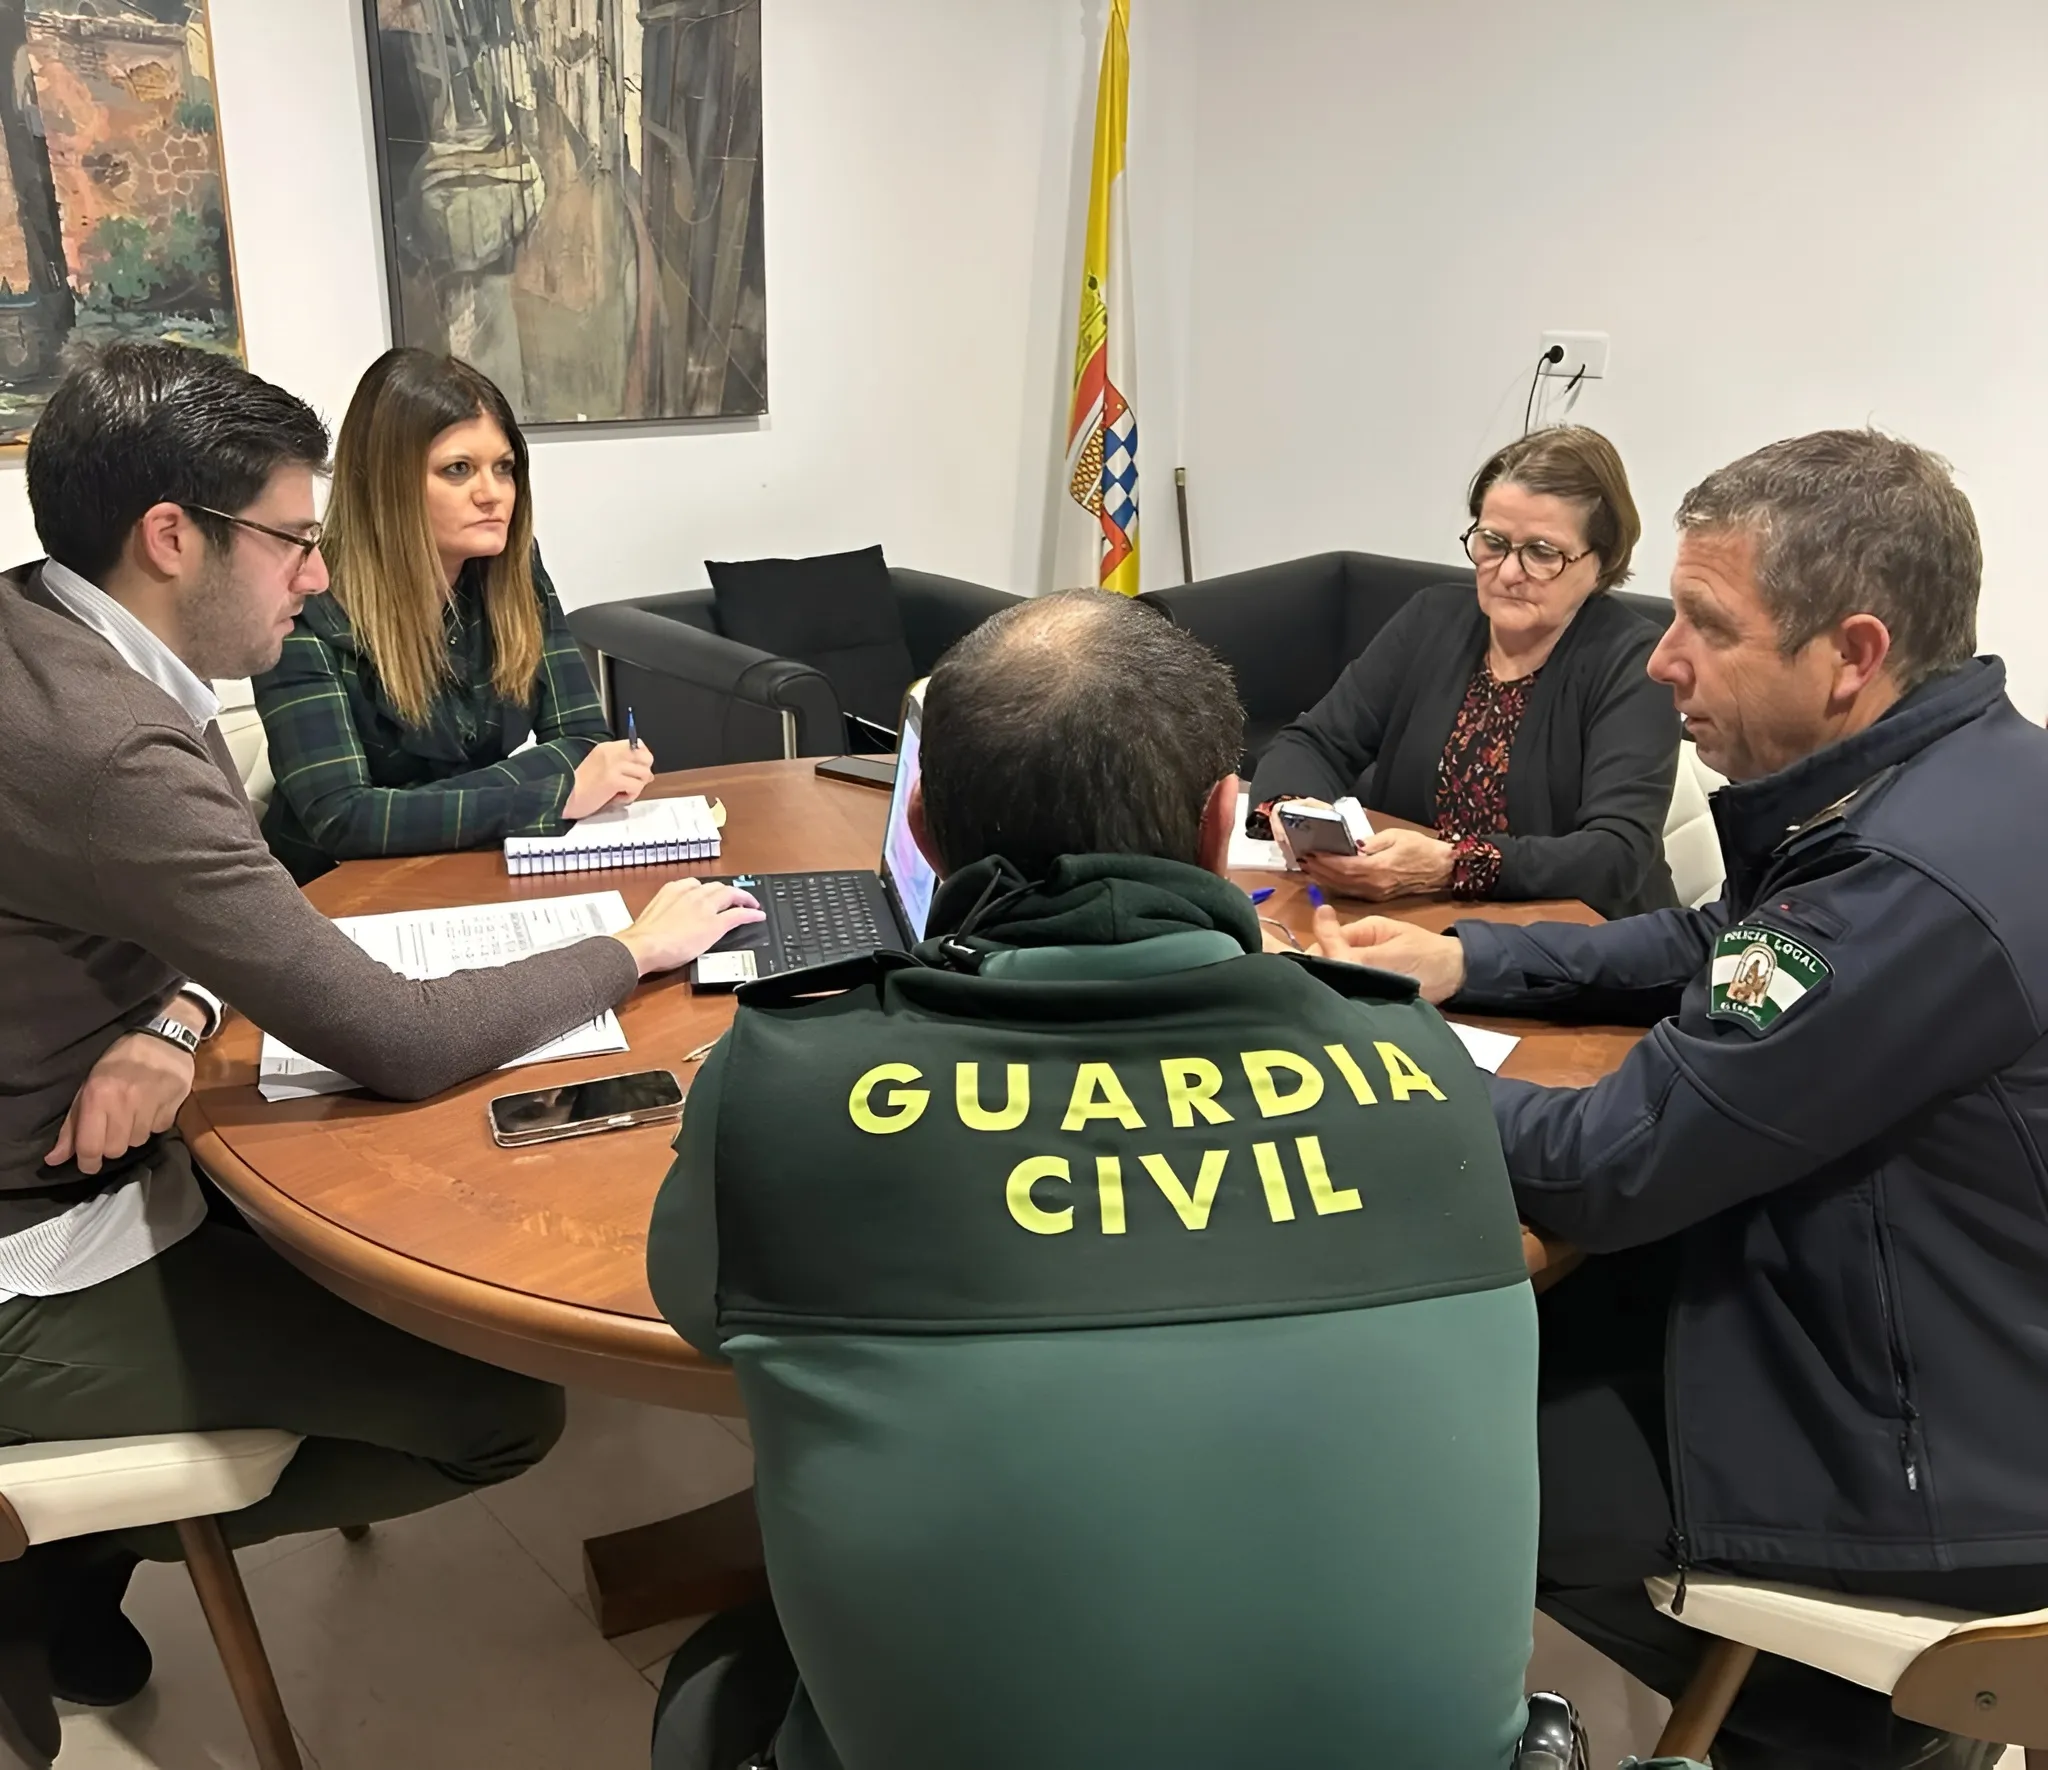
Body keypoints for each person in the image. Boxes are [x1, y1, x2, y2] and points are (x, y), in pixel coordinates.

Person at [0, 342, 762, 1744]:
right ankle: (48, 1563)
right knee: (502, 1408)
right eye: (294, 539)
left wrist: (172, 1012)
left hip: (99, 1134)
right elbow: (392, 1035)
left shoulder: (42, 637)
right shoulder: (110, 745)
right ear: (172, 537)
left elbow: (185, 903)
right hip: (34, 1239)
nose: (315, 570)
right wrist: (631, 949)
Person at [645, 591, 1544, 1768]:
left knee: (715, 1678)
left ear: (915, 821)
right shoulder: (1411, 1059)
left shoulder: (783, 1085)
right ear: (1223, 823)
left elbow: (697, 1316)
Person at [1310, 430, 2048, 1770]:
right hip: (1935, 1326)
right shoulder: (1961, 778)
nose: (1661, 659)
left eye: (1706, 624)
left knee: (1395, 1438)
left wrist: (1356, 1060)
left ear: (1854, 654)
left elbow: (1605, 1159)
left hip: (1929, 1454)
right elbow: (1719, 938)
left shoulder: (1902, 892)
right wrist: (1468, 958)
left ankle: (1830, 1721)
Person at [1248, 426, 1681, 919]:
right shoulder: (1433, 618)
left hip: (1576, 945)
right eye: (1493, 542)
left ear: (1602, 563)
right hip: (1416, 918)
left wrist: (1451, 865)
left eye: (1542, 553)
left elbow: (1615, 855)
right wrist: (1293, 812)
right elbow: (1315, 742)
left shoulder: (1638, 662)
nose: (1508, 572)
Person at [254, 347, 651, 883]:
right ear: (386, 482)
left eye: (504, 468)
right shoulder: (308, 596)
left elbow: (585, 740)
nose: (493, 494)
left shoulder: (514, 568)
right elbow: (343, 817)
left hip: (477, 867)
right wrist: (554, 791)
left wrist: (420, 804)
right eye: (458, 469)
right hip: (340, 894)